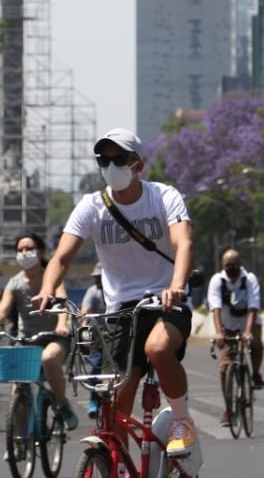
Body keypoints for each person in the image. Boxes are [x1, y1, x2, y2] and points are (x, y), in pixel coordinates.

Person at [33, 127, 198, 457]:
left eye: (119, 158)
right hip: (120, 311)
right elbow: (62, 256)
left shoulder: (164, 196)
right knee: (115, 402)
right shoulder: (91, 206)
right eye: (103, 160)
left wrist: (176, 286)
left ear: (138, 164)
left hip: (165, 302)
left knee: (158, 348)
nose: (111, 166)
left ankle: (182, 421)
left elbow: (184, 243)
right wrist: (48, 288)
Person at [0, 234, 78, 430]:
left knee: (49, 358)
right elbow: (2, 309)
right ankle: (19, 439)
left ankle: (63, 404)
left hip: (55, 337)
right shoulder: (14, 283)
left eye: (29, 249)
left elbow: (63, 304)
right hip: (26, 340)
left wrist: (62, 324)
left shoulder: (52, 277)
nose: (24, 253)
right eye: (20, 250)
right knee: (17, 388)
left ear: (41, 252)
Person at [208, 248, 264, 426]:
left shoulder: (249, 279)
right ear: (222, 266)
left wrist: (248, 332)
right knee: (225, 367)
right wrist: (219, 332)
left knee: (255, 345)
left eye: (234, 265)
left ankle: (255, 374)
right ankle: (228, 408)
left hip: (249, 322)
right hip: (227, 326)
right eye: (228, 265)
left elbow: (253, 306)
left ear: (241, 264)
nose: (231, 268)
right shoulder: (217, 280)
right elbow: (215, 308)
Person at [80, 262, 107, 418]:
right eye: (96, 277)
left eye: (100, 277)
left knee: (118, 371)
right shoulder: (93, 291)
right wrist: (84, 323)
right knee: (95, 368)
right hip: (98, 336)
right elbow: (86, 309)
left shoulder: (117, 290)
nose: (98, 281)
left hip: (117, 333)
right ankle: (94, 402)